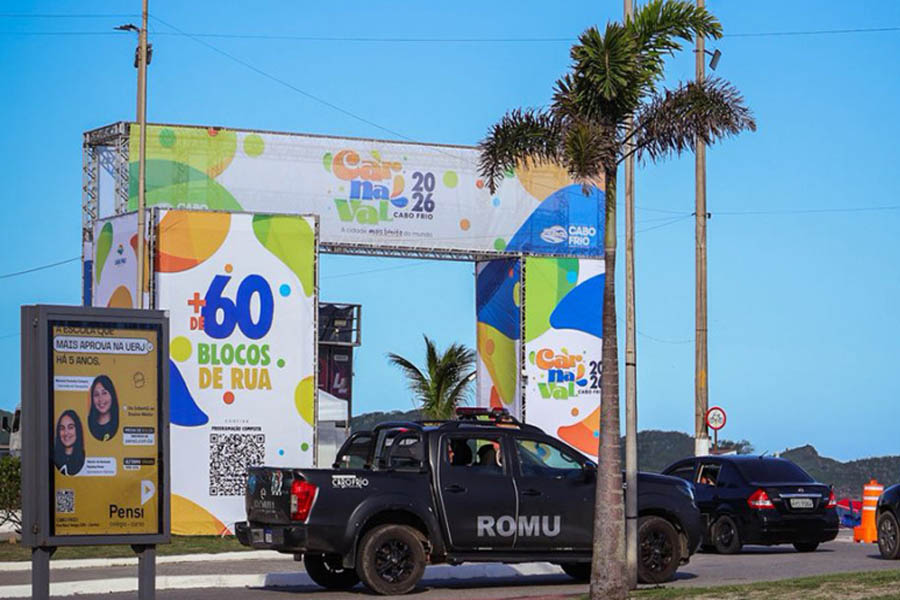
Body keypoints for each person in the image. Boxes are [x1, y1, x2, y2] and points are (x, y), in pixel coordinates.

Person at [88, 375, 119, 442]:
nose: (101, 399)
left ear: (112, 395)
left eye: (104, 393)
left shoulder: (119, 422)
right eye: (96, 394)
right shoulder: (89, 424)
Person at [54, 410, 85, 476]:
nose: (66, 433)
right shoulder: (54, 458)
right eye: (62, 428)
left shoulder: (85, 459)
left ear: (78, 430)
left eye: (70, 427)